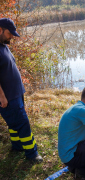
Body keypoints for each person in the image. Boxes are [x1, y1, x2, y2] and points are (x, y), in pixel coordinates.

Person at [0, 18, 43, 163]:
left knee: (14, 124)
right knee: (23, 123)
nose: (12, 36)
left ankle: (17, 146)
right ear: (0, 30)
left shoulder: (3, 45)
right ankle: (32, 154)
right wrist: (2, 97)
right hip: (8, 96)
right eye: (9, 33)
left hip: (15, 93)